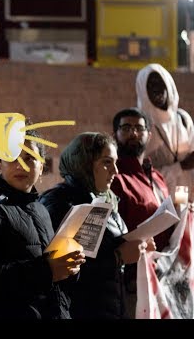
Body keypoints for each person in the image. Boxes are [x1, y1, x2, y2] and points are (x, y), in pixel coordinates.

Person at [0, 128, 85, 319]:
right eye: (12, 157)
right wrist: (47, 270)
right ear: (0, 164)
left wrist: (68, 267)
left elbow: (51, 279)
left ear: (42, 166)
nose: (20, 165)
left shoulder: (40, 208)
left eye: (29, 158)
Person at [39, 132, 154, 319]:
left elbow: (110, 250)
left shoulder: (105, 199)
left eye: (115, 162)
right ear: (84, 162)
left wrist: (139, 247)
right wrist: (118, 257)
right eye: (106, 162)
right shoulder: (60, 203)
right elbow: (63, 271)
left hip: (111, 308)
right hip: (81, 310)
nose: (115, 171)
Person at [110, 107, 173, 318]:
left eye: (139, 128)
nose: (133, 133)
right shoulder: (114, 179)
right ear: (115, 134)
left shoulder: (157, 177)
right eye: (126, 128)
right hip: (131, 284)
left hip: (163, 277)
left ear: (149, 135)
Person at [136, 63, 194, 200]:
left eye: (160, 82)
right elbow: (142, 176)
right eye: (150, 85)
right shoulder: (142, 126)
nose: (157, 89)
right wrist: (180, 167)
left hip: (186, 199)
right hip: (159, 202)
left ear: (168, 83)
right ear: (143, 91)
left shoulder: (183, 119)